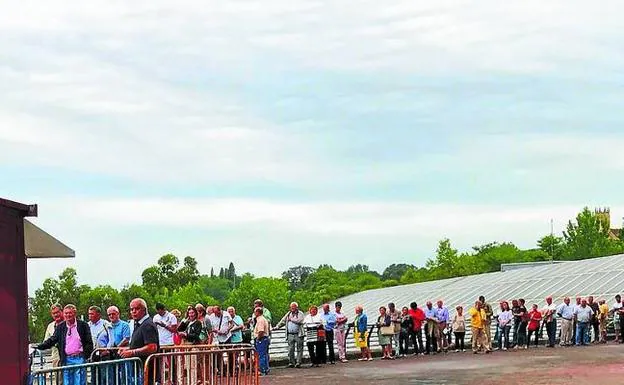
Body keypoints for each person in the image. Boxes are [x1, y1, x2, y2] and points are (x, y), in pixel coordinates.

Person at [36, 304, 93, 385]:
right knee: (67, 382)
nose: (68, 315)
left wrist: (85, 356)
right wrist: (39, 346)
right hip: (66, 359)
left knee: (80, 382)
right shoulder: (60, 327)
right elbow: (52, 340)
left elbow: (89, 342)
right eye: (66, 313)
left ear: (75, 313)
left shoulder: (83, 325)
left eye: (70, 313)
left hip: (79, 358)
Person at [119, 298, 159, 385]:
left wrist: (132, 352)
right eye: (131, 309)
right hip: (139, 369)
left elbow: (152, 347)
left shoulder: (147, 325)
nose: (133, 311)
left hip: (146, 369)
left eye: (137, 309)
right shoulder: (139, 323)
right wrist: (127, 350)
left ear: (144, 310)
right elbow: (138, 343)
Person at [275, 302, 305, 368]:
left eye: (293, 307)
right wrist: (277, 327)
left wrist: (291, 319)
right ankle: (291, 362)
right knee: (290, 349)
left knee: (299, 348)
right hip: (290, 334)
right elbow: (283, 321)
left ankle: (298, 362)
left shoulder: (300, 313)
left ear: (297, 307)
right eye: (291, 307)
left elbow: (300, 320)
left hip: (298, 334)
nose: (292, 308)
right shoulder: (288, 314)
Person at [105, 306, 131, 384]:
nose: (111, 316)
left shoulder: (124, 325)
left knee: (125, 375)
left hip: (122, 353)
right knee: (112, 376)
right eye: (109, 315)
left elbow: (126, 338)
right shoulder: (107, 326)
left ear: (118, 314)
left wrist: (116, 347)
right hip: (111, 354)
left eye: (113, 314)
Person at [43, 304, 65, 373]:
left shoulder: (69, 323)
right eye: (53, 313)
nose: (56, 315)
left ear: (62, 312)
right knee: (59, 381)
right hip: (56, 358)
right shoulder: (50, 326)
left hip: (70, 358)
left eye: (57, 312)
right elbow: (46, 342)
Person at [254, 306, 271, 375]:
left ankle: (262, 370)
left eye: (255, 312)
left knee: (261, 355)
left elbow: (261, 331)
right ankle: (266, 369)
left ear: (257, 312)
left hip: (262, 339)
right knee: (265, 354)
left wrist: (258, 339)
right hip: (265, 338)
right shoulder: (263, 319)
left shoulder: (260, 320)